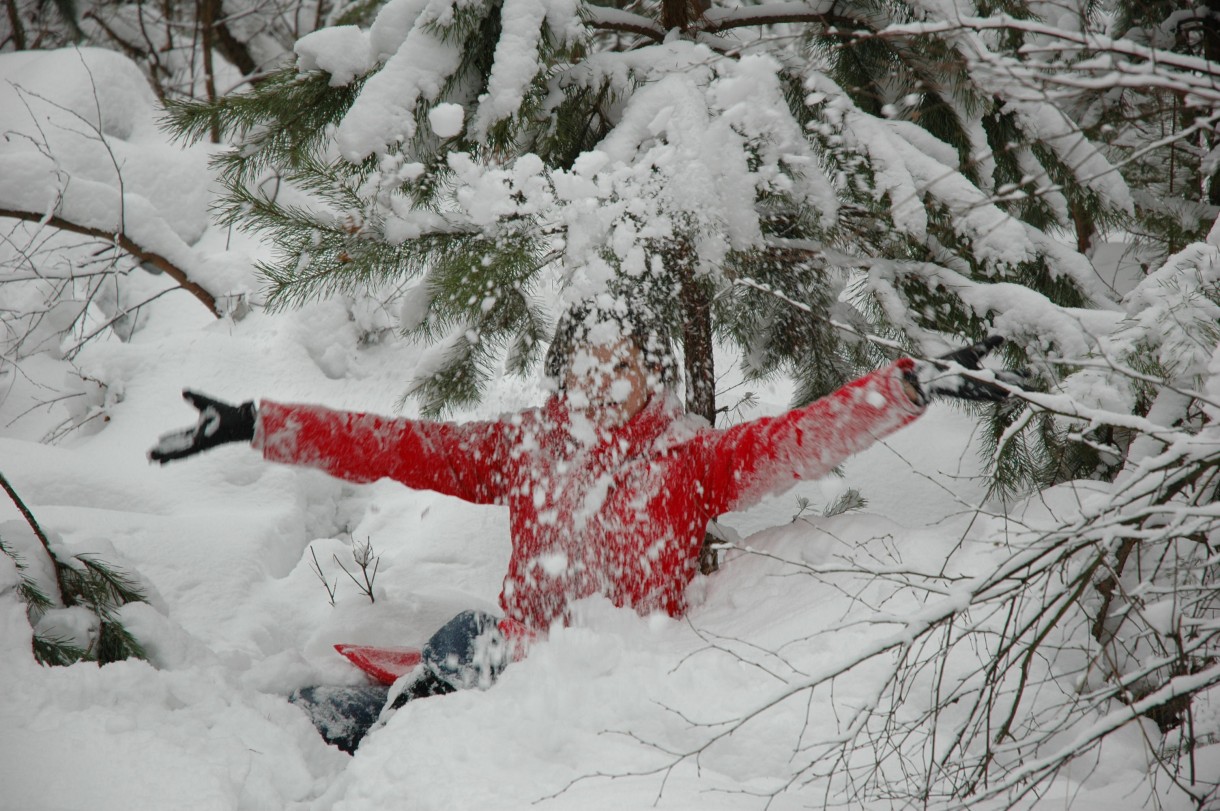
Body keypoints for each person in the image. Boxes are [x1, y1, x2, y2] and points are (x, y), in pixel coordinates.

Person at [149, 302, 1021, 751]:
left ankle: (407, 732)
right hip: (494, 662)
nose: (613, 378)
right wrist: (262, 423)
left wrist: (907, 385)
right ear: (565, 374)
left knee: (462, 638)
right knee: (304, 712)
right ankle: (389, 733)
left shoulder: (692, 459)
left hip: (596, 683)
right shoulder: (523, 446)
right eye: (592, 364)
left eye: (628, 361)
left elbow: (800, 437)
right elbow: (397, 444)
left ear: (649, 371)